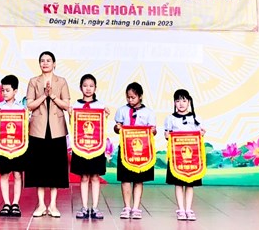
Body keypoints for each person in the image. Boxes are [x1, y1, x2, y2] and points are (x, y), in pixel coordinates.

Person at [25, 50, 70, 218]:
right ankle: (41, 204)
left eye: (48, 60)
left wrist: (53, 96)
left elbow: (66, 105)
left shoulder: (61, 81)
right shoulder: (33, 81)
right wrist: (44, 95)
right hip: (38, 129)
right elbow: (30, 105)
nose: (45, 63)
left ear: (54, 63)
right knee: (39, 168)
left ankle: (53, 205)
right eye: (42, 60)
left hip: (57, 129)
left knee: (55, 168)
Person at [113, 82, 156, 220]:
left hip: (141, 152)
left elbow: (153, 131)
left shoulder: (149, 113)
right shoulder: (122, 110)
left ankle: (136, 208)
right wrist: (117, 128)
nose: (130, 100)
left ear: (140, 96)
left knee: (138, 180)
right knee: (125, 179)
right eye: (128, 97)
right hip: (125, 150)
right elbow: (116, 128)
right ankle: (126, 207)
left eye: (133, 97)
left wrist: (153, 131)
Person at [71, 74, 110, 220]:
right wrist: (71, 114)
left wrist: (106, 115)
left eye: (91, 86)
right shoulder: (75, 106)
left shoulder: (100, 106)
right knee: (84, 177)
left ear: (95, 88)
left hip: (96, 147)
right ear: (80, 88)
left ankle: (94, 207)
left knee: (95, 177)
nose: (88, 89)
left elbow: (101, 126)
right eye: (85, 86)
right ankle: (84, 207)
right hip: (81, 146)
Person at [164, 88, 204, 222]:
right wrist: (167, 135)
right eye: (177, 101)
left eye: (184, 100)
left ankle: (188, 209)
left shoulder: (196, 118)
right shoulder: (170, 119)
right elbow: (166, 135)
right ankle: (181, 210)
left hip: (192, 158)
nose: (181, 104)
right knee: (178, 183)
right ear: (174, 103)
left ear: (189, 102)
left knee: (190, 183)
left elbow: (200, 135)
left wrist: (202, 133)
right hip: (176, 157)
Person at [0, 74, 25, 217]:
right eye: (2, 90)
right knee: (4, 174)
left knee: (18, 174)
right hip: (3, 146)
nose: (4, 93)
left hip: (18, 146)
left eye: (7, 90)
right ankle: (6, 203)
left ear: (15, 91)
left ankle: (15, 203)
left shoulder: (22, 108)